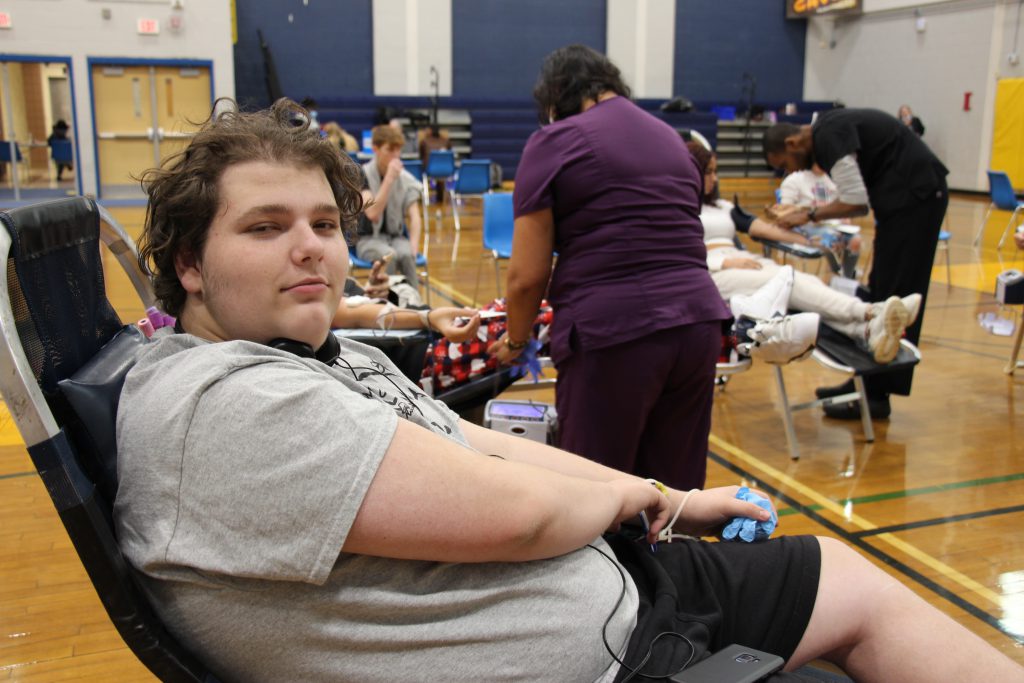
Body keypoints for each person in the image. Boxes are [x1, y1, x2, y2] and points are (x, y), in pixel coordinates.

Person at [114, 97, 1023, 683]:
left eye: (320, 222)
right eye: (265, 227)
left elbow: (472, 444)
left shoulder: (309, 354)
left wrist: (664, 497)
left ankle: (850, 325)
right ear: (190, 262)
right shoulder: (231, 405)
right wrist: (636, 494)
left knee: (850, 577)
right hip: (613, 650)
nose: (309, 246)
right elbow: (517, 515)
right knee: (858, 596)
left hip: (613, 592)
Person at [490, 45, 731, 491]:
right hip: (699, 325)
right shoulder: (674, 142)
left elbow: (526, 277)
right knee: (674, 495)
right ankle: (669, 564)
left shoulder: (555, 140)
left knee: (594, 490)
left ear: (557, 96)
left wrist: (517, 339)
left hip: (616, 333)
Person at [763, 109, 948, 419]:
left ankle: (875, 396)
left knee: (895, 295)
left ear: (793, 143)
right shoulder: (828, 131)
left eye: (785, 165)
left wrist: (805, 215)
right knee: (881, 291)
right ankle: (865, 384)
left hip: (917, 198)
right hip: (905, 201)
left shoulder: (828, 135)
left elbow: (855, 202)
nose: (789, 172)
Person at [687, 141, 919, 366]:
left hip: (746, 263)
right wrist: (724, 262)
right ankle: (870, 311)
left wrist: (811, 242)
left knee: (804, 280)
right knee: (792, 283)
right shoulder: (678, 208)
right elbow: (675, 250)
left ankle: (865, 331)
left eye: (716, 171)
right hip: (709, 272)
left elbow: (768, 230)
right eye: (708, 172)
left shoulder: (724, 207)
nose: (714, 178)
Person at [355, 124, 423, 289]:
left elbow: (415, 216)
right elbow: (372, 213)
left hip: (395, 237)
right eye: (389, 150)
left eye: (398, 150)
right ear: (376, 149)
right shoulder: (361, 174)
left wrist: (413, 245)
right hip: (368, 240)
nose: (395, 155)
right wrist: (389, 179)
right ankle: (387, 306)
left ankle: (415, 305)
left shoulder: (406, 179)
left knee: (406, 255)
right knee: (389, 256)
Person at [772, 165, 862, 278]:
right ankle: (839, 274)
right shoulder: (794, 180)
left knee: (855, 240)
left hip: (827, 225)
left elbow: (833, 205)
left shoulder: (829, 180)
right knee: (831, 240)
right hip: (803, 228)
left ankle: (846, 278)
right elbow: (784, 212)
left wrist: (843, 218)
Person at [418, 124, 452, 203]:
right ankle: (440, 198)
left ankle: (422, 197)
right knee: (440, 173)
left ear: (430, 131)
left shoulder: (424, 141)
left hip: (430, 170)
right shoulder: (446, 141)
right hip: (445, 170)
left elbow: (421, 156)